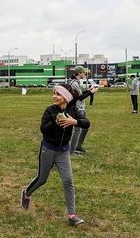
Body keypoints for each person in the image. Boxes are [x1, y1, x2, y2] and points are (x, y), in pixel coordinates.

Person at [21, 84, 89, 225]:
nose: (54, 96)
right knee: (42, 179)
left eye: (58, 94)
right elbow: (43, 130)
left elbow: (86, 123)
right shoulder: (50, 110)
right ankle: (26, 193)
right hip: (48, 149)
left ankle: (72, 216)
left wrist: (74, 121)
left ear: (66, 97)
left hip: (63, 151)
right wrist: (56, 122)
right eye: (54, 93)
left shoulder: (73, 110)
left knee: (68, 181)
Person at [67, 66, 96, 155]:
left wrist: (88, 90)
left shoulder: (75, 82)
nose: (85, 74)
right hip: (77, 108)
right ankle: (72, 151)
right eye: (83, 72)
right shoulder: (74, 83)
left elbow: (80, 94)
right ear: (79, 73)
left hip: (80, 107)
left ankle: (78, 146)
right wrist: (91, 92)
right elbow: (80, 97)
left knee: (85, 127)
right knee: (78, 129)